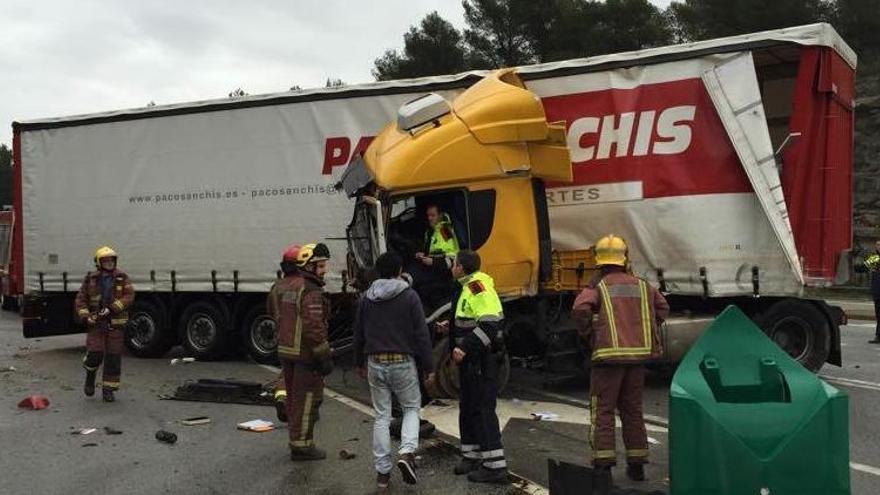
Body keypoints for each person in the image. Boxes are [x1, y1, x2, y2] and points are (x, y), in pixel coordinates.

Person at [571, 234, 669, 494]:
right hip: (636, 359)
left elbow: (580, 310)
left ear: (599, 262)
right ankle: (637, 465)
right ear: (624, 259)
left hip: (607, 360)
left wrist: (591, 333)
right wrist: (644, 328)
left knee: (602, 411)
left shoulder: (597, 287)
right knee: (632, 411)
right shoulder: (642, 285)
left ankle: (603, 466)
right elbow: (663, 308)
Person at [354, 252, 433, 490]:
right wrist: (428, 365)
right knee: (410, 408)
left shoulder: (366, 298)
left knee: (381, 416)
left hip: (375, 362)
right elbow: (421, 334)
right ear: (400, 270)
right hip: (402, 361)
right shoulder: (409, 296)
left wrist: (359, 362)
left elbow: (359, 333)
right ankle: (407, 452)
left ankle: (382, 473)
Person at [441, 250, 508, 484]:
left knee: (482, 409)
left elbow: (489, 324)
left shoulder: (477, 286)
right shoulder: (465, 286)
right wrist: (449, 327)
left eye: (454, 264)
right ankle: (472, 455)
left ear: (461, 267)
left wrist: (465, 347)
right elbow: (469, 318)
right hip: (472, 362)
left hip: (481, 360)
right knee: (468, 406)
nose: (451, 267)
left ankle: (495, 465)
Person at [268, 243, 334, 461]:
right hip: (305, 355)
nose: (325, 270)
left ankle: (297, 441)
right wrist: (323, 355)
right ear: (309, 266)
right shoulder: (311, 290)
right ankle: (302, 446)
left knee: (295, 400)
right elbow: (313, 326)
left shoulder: (285, 286)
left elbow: (274, 313)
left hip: (287, 350)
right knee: (307, 400)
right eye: (321, 265)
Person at [74, 246, 135, 403]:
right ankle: (90, 375)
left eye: (111, 260)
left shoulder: (122, 277)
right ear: (99, 263)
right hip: (96, 323)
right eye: (105, 260)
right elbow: (81, 300)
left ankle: (108, 390)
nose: (109, 263)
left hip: (116, 324)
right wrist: (87, 317)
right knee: (95, 354)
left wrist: (112, 308)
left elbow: (129, 296)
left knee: (113, 358)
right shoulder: (91, 279)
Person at [411, 205, 460, 311]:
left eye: (433, 215)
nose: (430, 218)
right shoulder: (431, 231)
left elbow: (452, 258)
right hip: (433, 268)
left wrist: (433, 262)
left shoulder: (445, 230)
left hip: (444, 274)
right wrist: (422, 253)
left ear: (440, 216)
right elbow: (432, 250)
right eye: (428, 215)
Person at [856, 240, 880, 343]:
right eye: (877, 244)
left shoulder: (876, 258)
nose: (878, 246)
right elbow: (862, 268)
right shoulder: (875, 258)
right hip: (877, 290)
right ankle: (878, 336)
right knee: (878, 314)